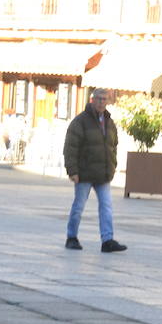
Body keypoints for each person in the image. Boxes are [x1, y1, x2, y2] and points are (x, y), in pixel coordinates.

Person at [63, 88, 127, 252]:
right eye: (98, 99)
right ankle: (71, 237)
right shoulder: (80, 121)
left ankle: (107, 240)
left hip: (103, 174)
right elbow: (70, 147)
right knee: (78, 206)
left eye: (104, 99)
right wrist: (73, 171)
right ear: (92, 100)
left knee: (106, 206)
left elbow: (113, 146)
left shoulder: (109, 122)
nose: (101, 102)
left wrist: (112, 167)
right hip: (84, 173)